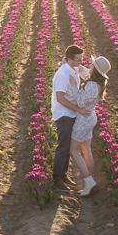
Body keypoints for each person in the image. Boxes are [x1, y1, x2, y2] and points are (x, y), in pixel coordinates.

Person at [67, 55, 110, 197]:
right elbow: (84, 72)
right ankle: (89, 179)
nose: (89, 65)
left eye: (92, 64)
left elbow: (80, 102)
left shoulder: (91, 85)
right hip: (90, 117)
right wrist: (73, 64)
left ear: (96, 70)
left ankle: (89, 180)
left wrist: (74, 86)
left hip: (83, 119)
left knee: (73, 150)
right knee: (86, 149)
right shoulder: (98, 82)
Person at [52, 44, 85, 189]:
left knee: (68, 146)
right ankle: (57, 178)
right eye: (78, 60)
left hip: (71, 113)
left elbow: (87, 74)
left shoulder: (73, 68)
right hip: (64, 114)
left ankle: (64, 175)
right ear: (69, 59)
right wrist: (77, 109)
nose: (80, 63)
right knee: (63, 146)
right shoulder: (62, 75)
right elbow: (60, 98)